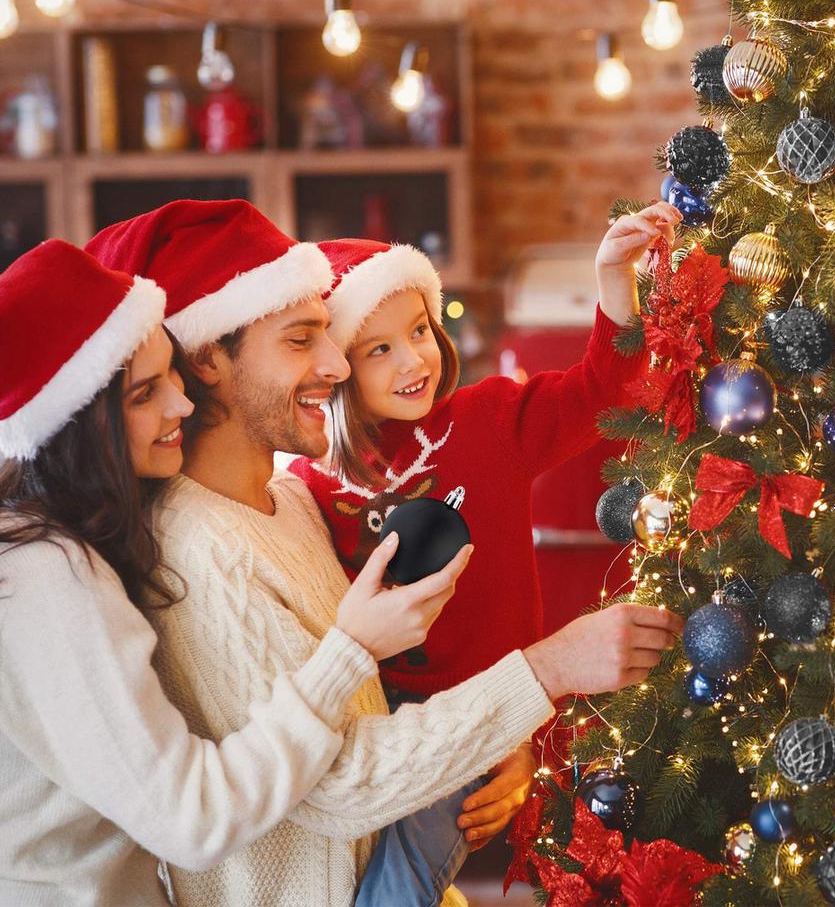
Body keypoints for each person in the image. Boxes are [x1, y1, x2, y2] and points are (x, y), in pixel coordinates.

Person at [87, 198, 685, 907]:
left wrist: (505, 736)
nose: (335, 363)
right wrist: (543, 674)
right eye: (303, 338)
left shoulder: (291, 503)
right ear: (211, 357)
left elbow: (373, 723)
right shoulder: (212, 551)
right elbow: (342, 786)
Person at [0, 240, 467, 906]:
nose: (182, 406)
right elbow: (193, 816)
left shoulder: (76, 546)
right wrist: (353, 651)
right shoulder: (49, 577)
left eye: (173, 378)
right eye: (145, 393)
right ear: (79, 427)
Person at [287, 203, 680, 846]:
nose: (413, 361)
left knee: (414, 867)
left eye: (418, 331)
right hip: (385, 742)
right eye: (378, 349)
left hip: (499, 719)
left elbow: (599, 393)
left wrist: (613, 278)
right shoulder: (310, 486)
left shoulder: (489, 421)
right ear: (335, 367)